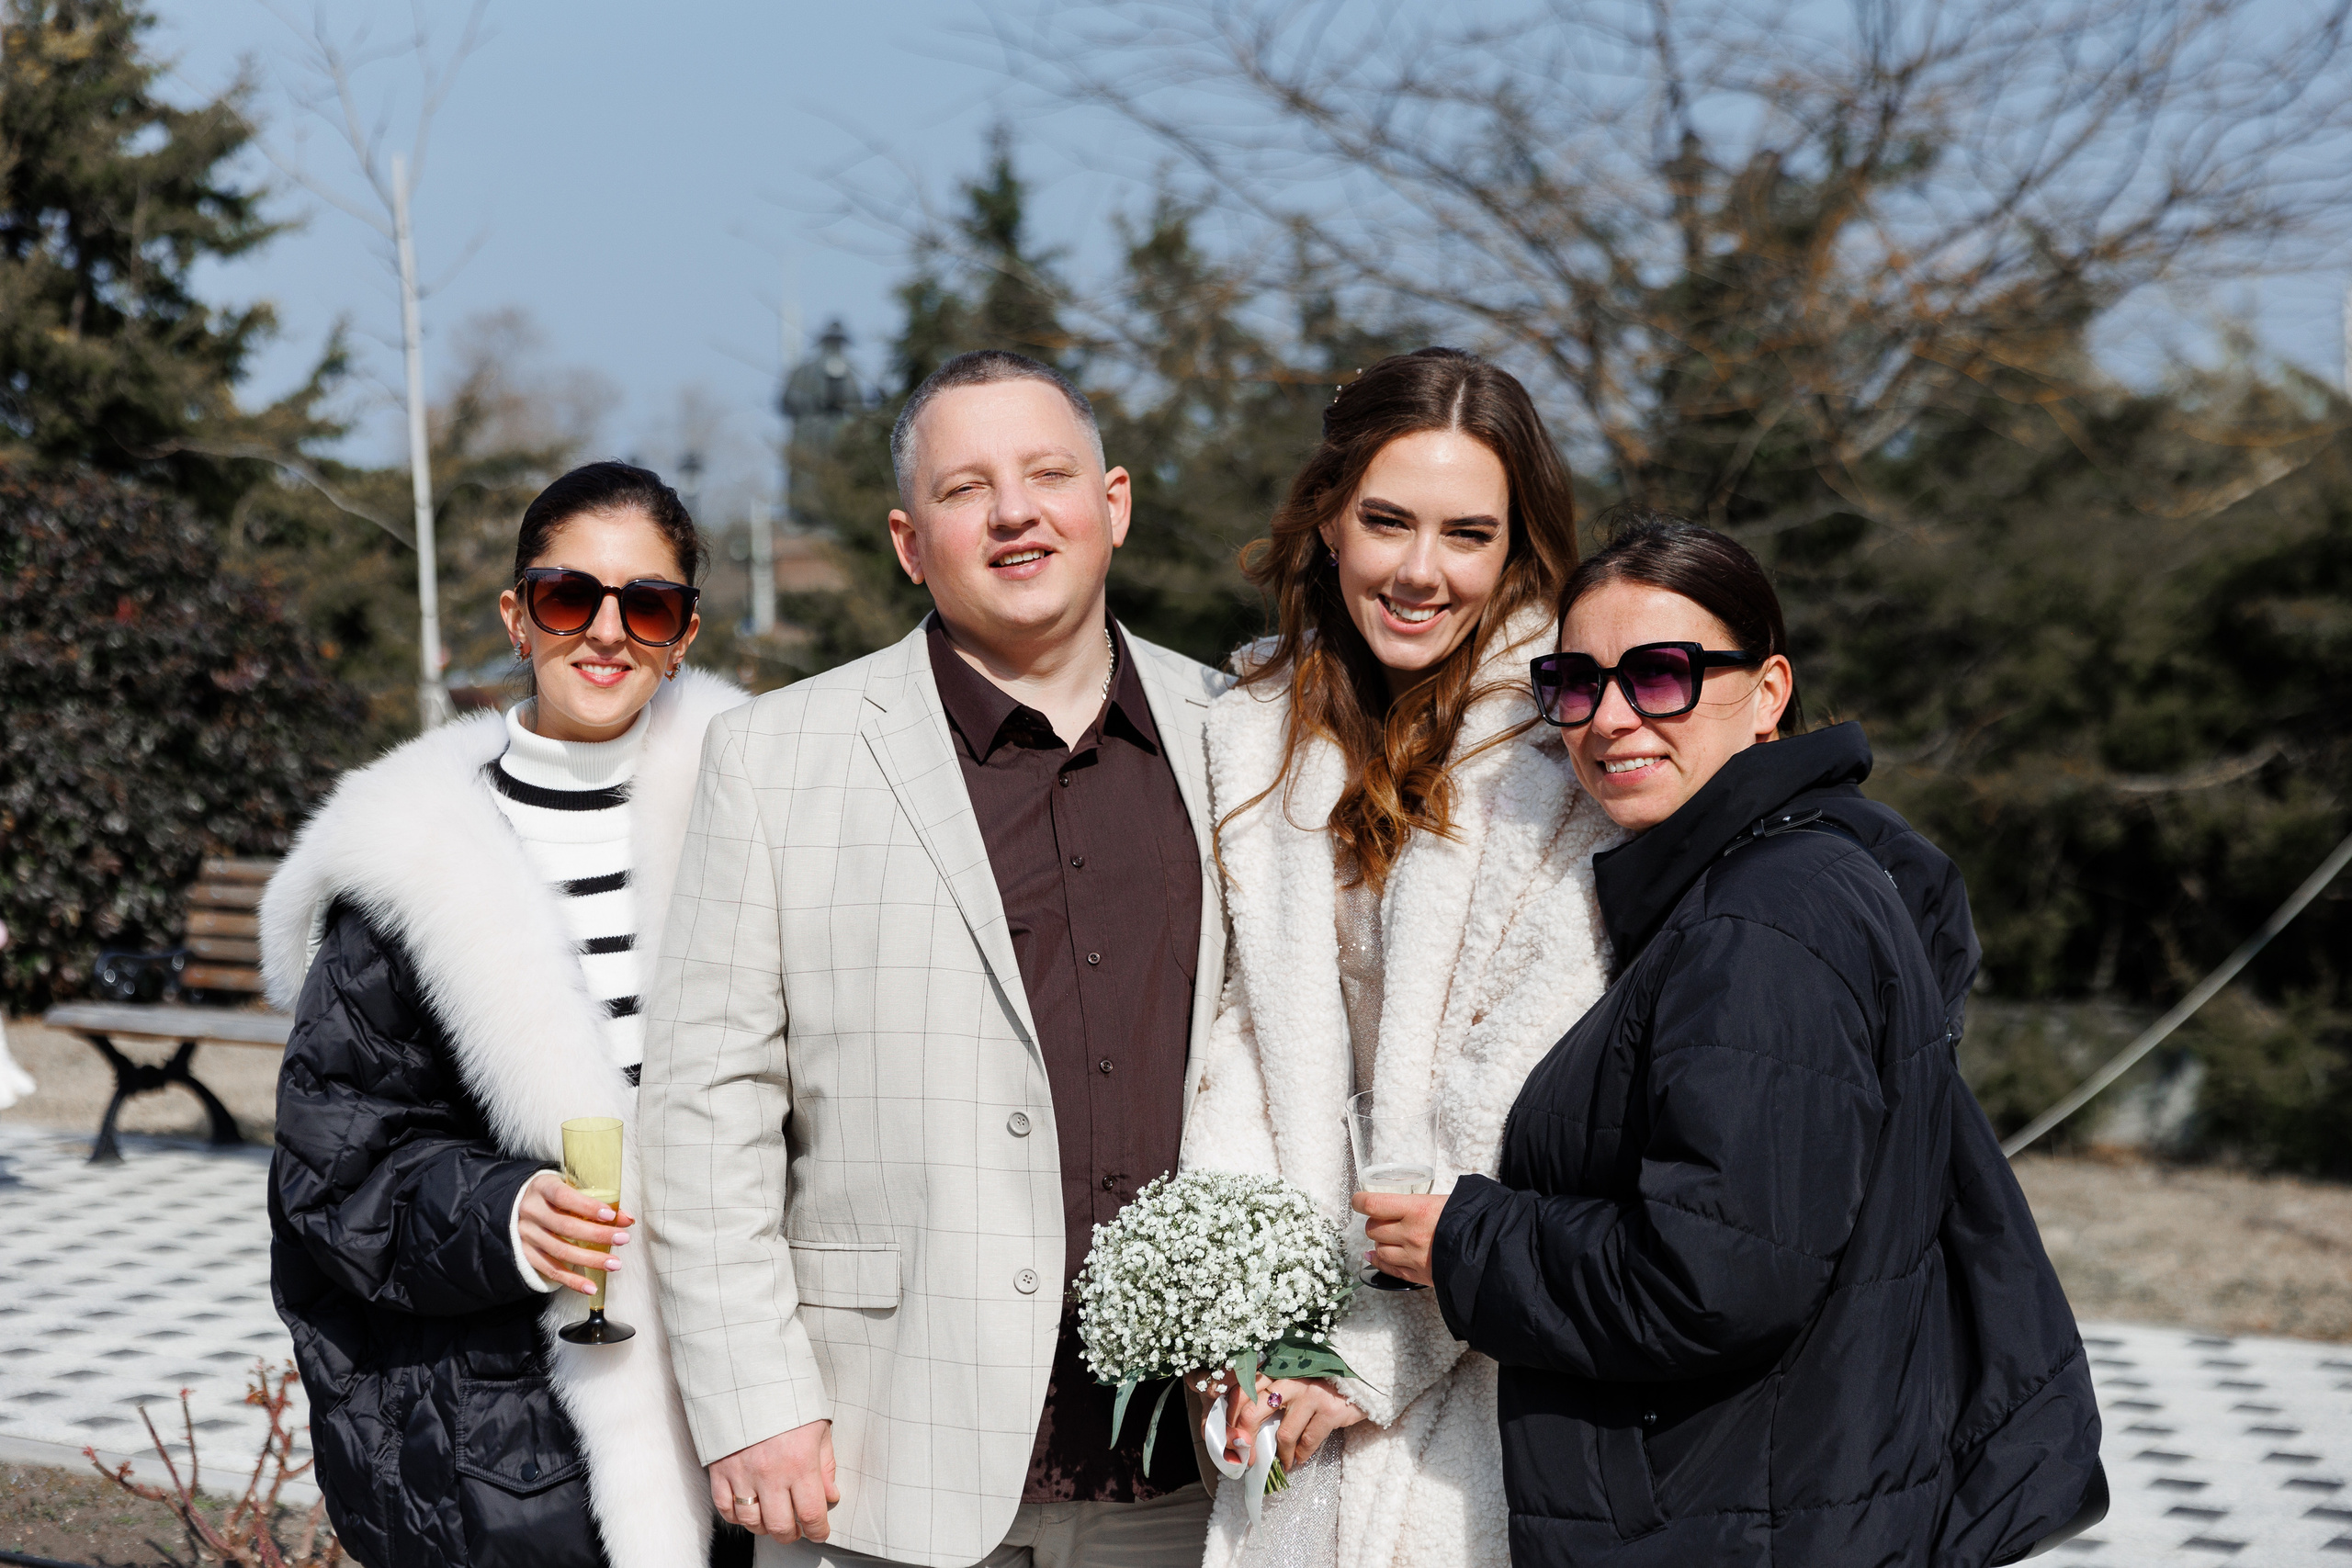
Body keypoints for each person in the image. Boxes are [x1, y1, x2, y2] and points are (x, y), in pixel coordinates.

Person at [1367, 514, 2105, 1565]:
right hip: (1779, 1493)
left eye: (1660, 675)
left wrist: (1462, 1243)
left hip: (1741, 1518)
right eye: (1575, 683)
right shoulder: (1784, 877)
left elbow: (1711, 1280)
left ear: (1766, 695)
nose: (1610, 718)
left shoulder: (1763, 919)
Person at [638, 350, 1229, 1568]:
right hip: (882, 1457)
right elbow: (705, 1109)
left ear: (1112, 502)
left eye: (1047, 474)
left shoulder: (1241, 737)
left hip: (1193, 1472)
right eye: (968, 488)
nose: (1015, 510)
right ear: (912, 542)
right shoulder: (779, 756)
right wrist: (751, 1400)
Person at [260, 462, 745, 1568]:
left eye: (649, 604)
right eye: (572, 597)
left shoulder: (759, 810)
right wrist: (505, 1212)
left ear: (685, 633)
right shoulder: (411, 859)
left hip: (750, 1404)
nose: (607, 634)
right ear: (517, 616)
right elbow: (334, 1172)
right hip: (505, 1436)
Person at [1190, 347, 1614, 1568]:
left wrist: (1376, 1348)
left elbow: (1528, 1084)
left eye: (1467, 533)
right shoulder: (1247, 734)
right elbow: (1237, 1043)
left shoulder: (1568, 745)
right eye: (1387, 520)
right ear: (1329, 519)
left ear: (1517, 547)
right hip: (1280, 1343)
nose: (1421, 570)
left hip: (1486, 1346)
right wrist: (1243, 1316)